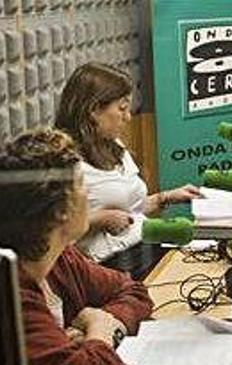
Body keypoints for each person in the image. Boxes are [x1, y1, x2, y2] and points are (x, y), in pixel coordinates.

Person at [0, 129, 153, 365]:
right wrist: (100, 333)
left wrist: (102, 324)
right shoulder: (13, 293)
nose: (88, 195)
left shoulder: (63, 257)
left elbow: (133, 290)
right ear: (62, 210)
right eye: (83, 185)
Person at [55, 62, 202, 277]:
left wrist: (165, 198)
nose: (128, 117)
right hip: (110, 266)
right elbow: (49, 234)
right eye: (122, 108)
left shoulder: (114, 145)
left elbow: (129, 210)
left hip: (148, 244)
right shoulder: (64, 161)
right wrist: (96, 219)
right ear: (94, 110)